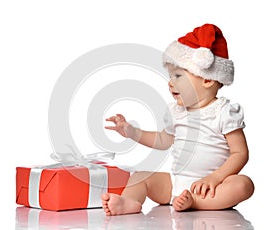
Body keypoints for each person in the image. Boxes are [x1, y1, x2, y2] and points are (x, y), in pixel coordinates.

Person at [101, 24, 254, 216]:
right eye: (170, 76)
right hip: (175, 184)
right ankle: (129, 201)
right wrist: (132, 132)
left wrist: (215, 178)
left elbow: (240, 153)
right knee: (140, 177)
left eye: (178, 76)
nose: (170, 82)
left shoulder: (223, 112)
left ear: (207, 79)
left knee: (243, 185)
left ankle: (196, 202)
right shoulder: (177, 112)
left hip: (212, 188)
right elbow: (163, 140)